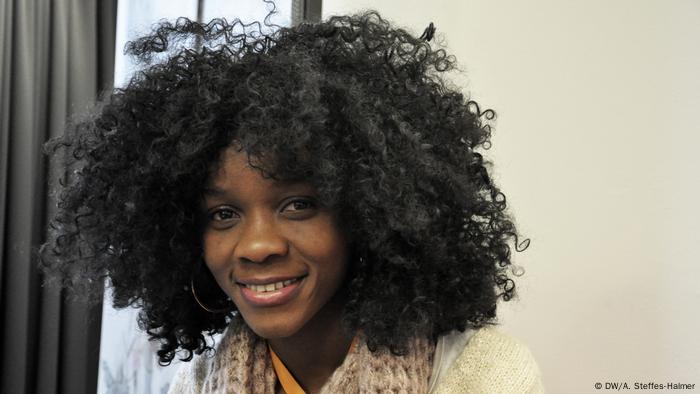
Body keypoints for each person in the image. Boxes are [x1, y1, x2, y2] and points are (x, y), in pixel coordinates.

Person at [40, 11, 543, 393]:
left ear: (368, 214)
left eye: (298, 204)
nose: (256, 246)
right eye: (223, 214)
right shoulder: (192, 386)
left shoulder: (482, 375)